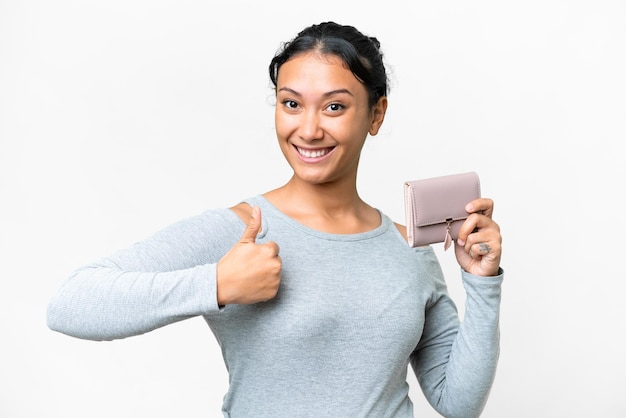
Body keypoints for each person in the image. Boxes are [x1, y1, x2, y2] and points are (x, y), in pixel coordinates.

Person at [47, 21, 504, 418]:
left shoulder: (409, 249)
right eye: (291, 104)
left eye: (334, 107)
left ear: (376, 114)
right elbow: (71, 304)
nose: (307, 129)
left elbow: (456, 402)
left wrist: (481, 282)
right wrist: (218, 285)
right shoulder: (245, 231)